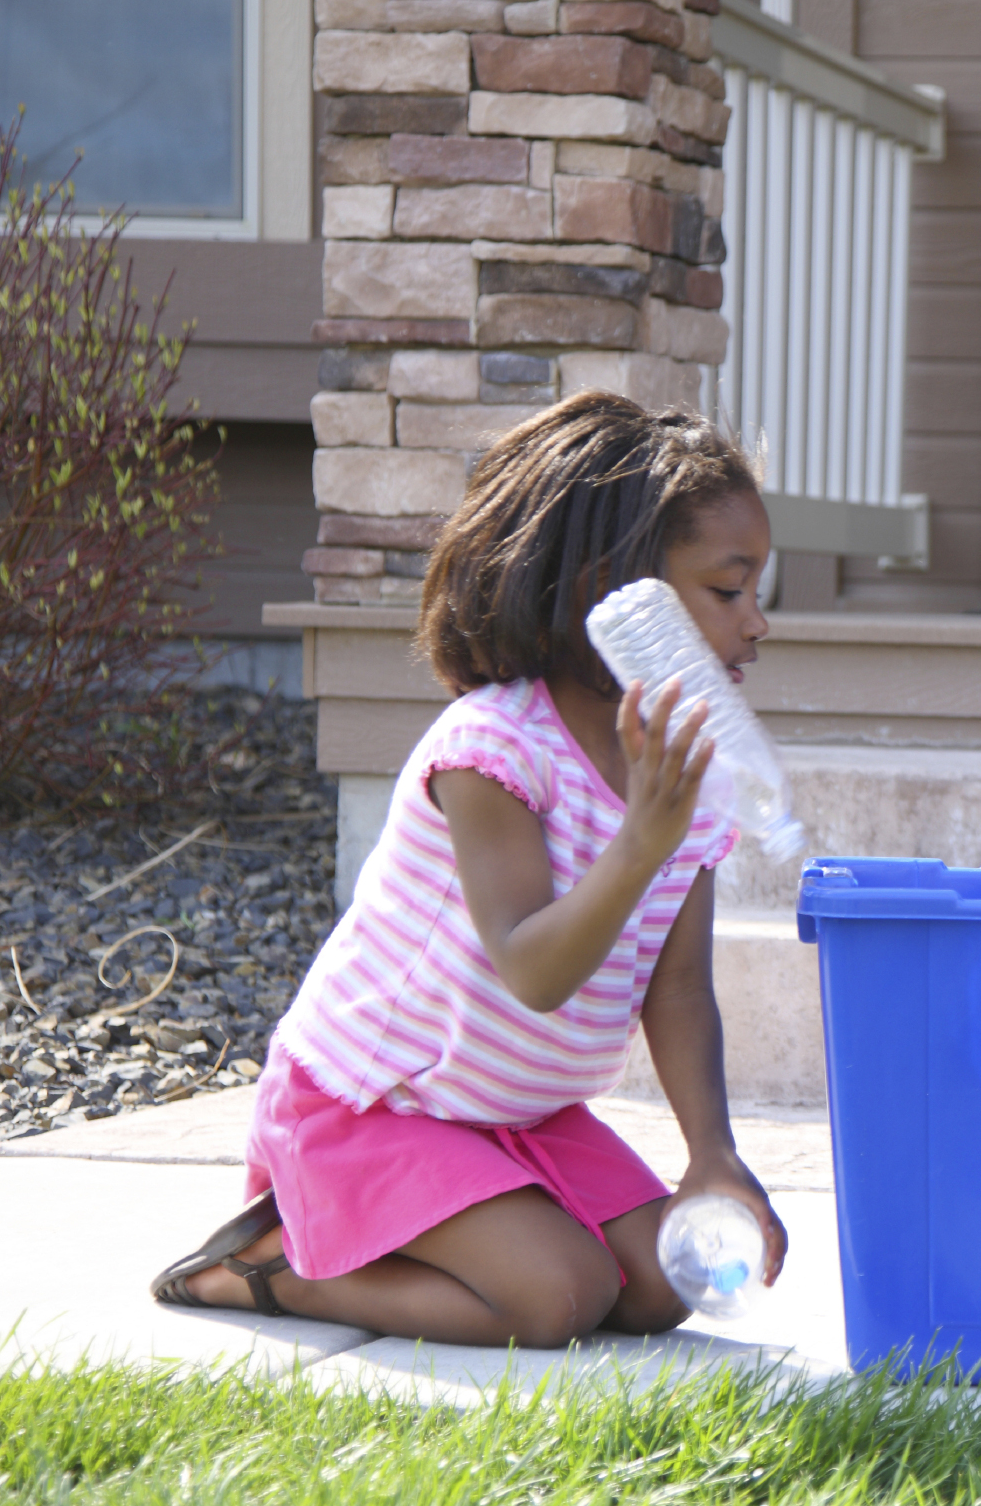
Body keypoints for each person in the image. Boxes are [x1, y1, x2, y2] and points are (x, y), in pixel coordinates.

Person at [150, 391, 789, 1347]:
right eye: (727, 591)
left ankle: (470, 1229)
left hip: (516, 1119)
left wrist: (713, 1155)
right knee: (555, 1298)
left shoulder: (686, 778)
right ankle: (264, 1267)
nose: (756, 623)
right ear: (609, 595)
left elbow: (680, 988)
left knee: (667, 1281)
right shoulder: (495, 749)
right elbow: (532, 969)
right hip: (371, 1108)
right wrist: (639, 845)